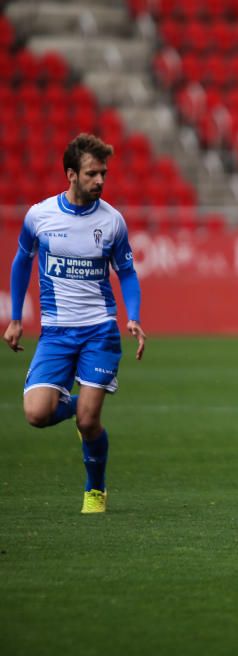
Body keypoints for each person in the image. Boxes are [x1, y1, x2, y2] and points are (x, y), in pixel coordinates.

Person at [4, 133, 146, 514]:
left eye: (103, 173)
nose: (100, 180)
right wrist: (16, 318)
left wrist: (132, 317)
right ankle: (75, 402)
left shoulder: (112, 221)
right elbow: (21, 263)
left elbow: (127, 274)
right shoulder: (40, 216)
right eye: (91, 174)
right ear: (71, 174)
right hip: (55, 333)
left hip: (99, 330)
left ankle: (95, 490)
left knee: (88, 420)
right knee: (36, 414)